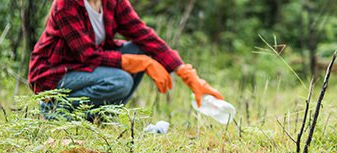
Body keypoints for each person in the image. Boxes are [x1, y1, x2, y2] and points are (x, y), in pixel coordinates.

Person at [28, 0, 223, 120]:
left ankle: (99, 117)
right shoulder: (66, 4)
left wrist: (186, 73)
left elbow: (144, 35)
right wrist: (143, 63)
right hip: (54, 74)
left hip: (85, 68)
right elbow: (88, 55)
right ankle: (55, 111)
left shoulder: (113, 2)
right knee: (120, 81)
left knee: (140, 48)